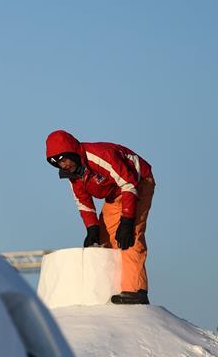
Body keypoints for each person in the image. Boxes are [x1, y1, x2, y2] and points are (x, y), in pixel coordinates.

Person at [45, 130, 155, 305]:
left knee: (129, 236)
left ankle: (136, 290)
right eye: (57, 163)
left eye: (64, 159)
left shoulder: (99, 156)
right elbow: (84, 203)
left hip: (138, 183)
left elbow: (128, 182)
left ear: (72, 152)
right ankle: (111, 288)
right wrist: (92, 229)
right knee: (105, 239)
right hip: (115, 194)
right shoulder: (74, 176)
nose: (63, 165)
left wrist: (127, 220)